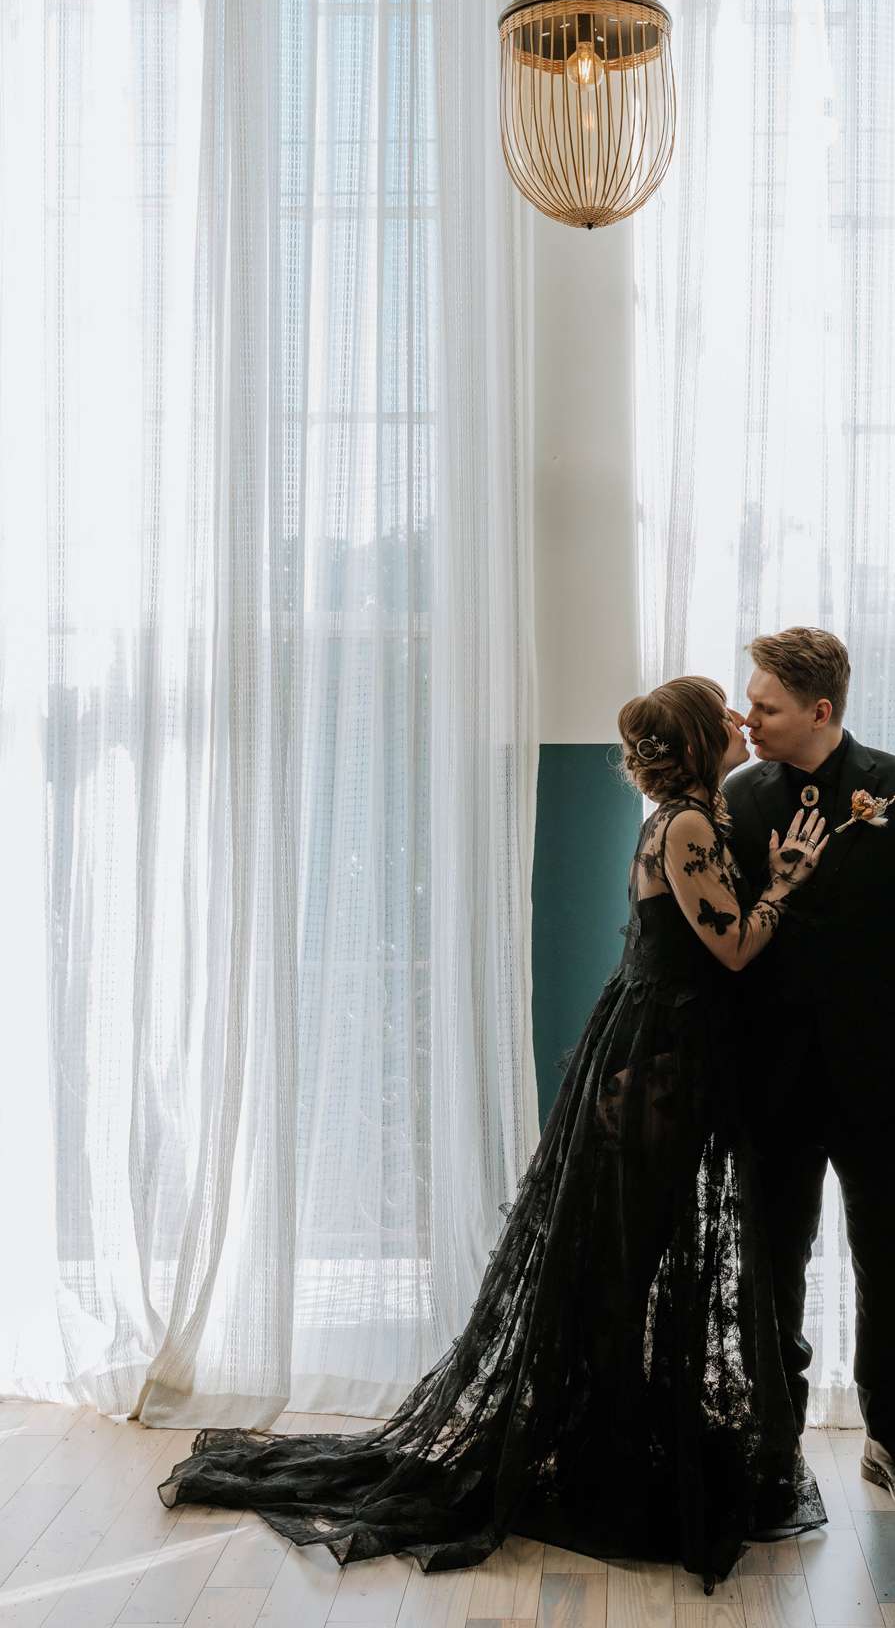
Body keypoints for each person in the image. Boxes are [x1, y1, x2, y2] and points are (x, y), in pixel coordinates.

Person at [158, 677, 831, 1589]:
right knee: (628, 1265)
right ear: (696, 740)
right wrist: (787, 880)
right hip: (659, 1067)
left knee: (638, 1261)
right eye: (723, 713)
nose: (738, 721)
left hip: (671, 1061)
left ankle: (612, 1443)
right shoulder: (683, 827)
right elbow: (737, 947)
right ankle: (603, 1455)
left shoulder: (696, 819)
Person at [723, 627, 895, 1521]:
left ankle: (892, 1438)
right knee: (770, 1265)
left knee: (890, 1261)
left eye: (765, 706)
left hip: (887, 1082)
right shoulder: (738, 798)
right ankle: (774, 1443)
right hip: (771, 1081)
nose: (747, 719)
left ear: (820, 710)